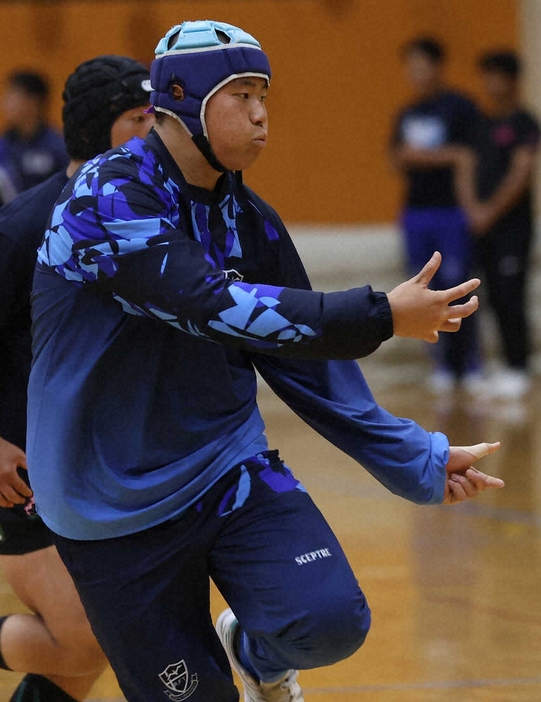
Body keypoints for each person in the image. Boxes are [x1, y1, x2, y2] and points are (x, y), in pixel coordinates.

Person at [27, 20, 504, 702]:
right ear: (183, 101)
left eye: (264, 96)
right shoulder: (109, 197)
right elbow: (209, 302)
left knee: (331, 622)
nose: (260, 115)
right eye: (241, 94)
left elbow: (306, 363)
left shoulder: (249, 219)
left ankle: (253, 653)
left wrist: (416, 456)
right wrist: (383, 315)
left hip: (225, 469)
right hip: (109, 509)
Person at [0, 55, 155, 702]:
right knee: (86, 637)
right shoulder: (23, 227)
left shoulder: (152, 221)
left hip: (102, 470)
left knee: (88, 651)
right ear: (96, 130)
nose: (154, 134)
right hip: (21, 470)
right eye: (137, 119)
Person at [389, 36, 484, 395]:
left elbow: (469, 157)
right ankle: (441, 366)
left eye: (421, 64)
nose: (415, 73)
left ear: (437, 66)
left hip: (452, 214)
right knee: (422, 292)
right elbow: (396, 158)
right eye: (409, 66)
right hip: (416, 213)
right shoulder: (407, 113)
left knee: (458, 287)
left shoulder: (460, 108)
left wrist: (424, 156)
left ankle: (471, 366)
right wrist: (441, 155)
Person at [458, 50, 541, 400]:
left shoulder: (526, 124)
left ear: (512, 80)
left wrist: (490, 211)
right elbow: (465, 167)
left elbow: (522, 172)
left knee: (512, 295)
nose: (491, 83)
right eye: (486, 75)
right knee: (488, 295)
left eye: (497, 75)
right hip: (481, 226)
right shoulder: (478, 124)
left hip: (512, 228)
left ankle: (519, 366)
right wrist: (471, 210)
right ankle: (499, 364)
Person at [0, 71, 68, 195]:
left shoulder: (59, 148)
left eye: (12, 95)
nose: (4, 102)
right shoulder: (3, 145)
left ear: (33, 102)